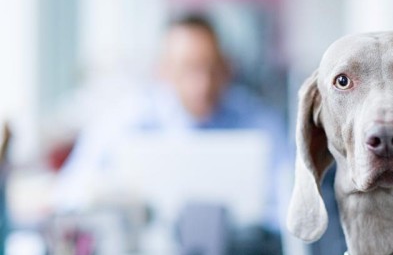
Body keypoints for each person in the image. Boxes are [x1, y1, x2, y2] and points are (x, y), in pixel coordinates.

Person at [54, 13, 290, 226]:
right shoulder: (127, 121)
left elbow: (291, 200)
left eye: (211, 68)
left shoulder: (259, 121)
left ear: (226, 67)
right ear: (163, 70)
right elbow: (70, 192)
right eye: (188, 68)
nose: (203, 84)